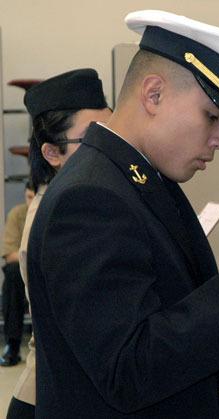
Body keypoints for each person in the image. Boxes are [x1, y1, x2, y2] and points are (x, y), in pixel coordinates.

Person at [26, 10, 219, 419]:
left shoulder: (139, 179)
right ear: (153, 94)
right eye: (211, 116)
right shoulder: (91, 199)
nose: (217, 140)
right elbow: (129, 368)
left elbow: (179, 305)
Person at [6, 68, 113, 419]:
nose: (109, 149)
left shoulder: (76, 197)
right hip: (49, 395)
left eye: (112, 133)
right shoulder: (60, 214)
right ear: (52, 153)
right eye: (92, 138)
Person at [1, 183, 34, 367]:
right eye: (29, 197)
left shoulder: (53, 209)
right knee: (12, 273)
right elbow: (9, 254)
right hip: (24, 269)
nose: (32, 202)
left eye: (35, 197)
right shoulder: (17, 214)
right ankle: (12, 345)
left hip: (48, 270)